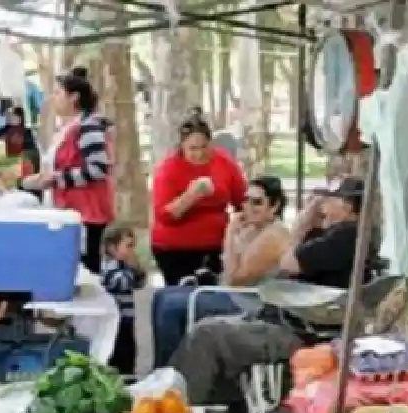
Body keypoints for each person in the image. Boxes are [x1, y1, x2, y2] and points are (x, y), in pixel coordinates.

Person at [166, 178, 395, 413]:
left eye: (330, 200)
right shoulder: (348, 236)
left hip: (304, 332)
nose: (322, 205)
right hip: (301, 320)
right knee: (210, 325)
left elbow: (287, 264)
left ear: (348, 206)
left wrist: (303, 221)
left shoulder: (347, 236)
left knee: (207, 333)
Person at [151, 175, 291, 367]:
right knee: (162, 295)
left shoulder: (273, 236)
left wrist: (230, 233)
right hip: (231, 293)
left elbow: (235, 279)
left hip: (249, 303)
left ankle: (171, 373)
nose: (248, 207)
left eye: (257, 202)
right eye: (245, 200)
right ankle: (161, 368)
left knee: (172, 307)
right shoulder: (254, 229)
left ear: (274, 207)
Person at [21, 67, 114, 274]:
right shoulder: (66, 128)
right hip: (66, 210)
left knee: (84, 272)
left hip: (86, 215)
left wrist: (56, 179)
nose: (53, 98)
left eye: (57, 93)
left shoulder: (89, 127)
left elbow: (98, 169)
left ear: (74, 97)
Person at [150, 117, 248, 287]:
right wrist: (191, 195)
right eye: (192, 148)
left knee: (209, 295)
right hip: (174, 248)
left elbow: (241, 199)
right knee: (182, 299)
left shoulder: (224, 162)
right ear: (182, 147)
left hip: (214, 245)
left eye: (204, 147)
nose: (200, 153)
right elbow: (164, 216)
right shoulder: (168, 169)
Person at [100, 225, 147, 376]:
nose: (132, 250)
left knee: (130, 353)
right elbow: (121, 283)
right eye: (128, 246)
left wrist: (136, 269)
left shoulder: (124, 266)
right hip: (116, 321)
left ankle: (129, 375)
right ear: (113, 248)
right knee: (118, 354)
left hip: (127, 319)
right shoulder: (110, 267)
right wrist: (132, 269)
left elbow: (139, 283)